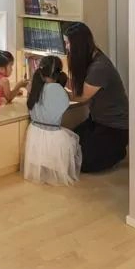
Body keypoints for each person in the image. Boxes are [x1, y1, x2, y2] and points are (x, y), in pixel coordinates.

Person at [64, 22, 129, 173]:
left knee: (84, 162)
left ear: (79, 45)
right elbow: (77, 86)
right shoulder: (90, 60)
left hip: (115, 126)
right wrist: (58, 80)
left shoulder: (99, 67)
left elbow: (81, 97)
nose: (66, 47)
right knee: (70, 148)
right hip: (97, 121)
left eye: (68, 43)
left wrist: (56, 91)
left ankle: (118, 150)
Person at [22, 55, 82, 185]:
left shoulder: (34, 87)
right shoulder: (60, 90)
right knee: (74, 141)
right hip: (54, 135)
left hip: (34, 133)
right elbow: (64, 105)